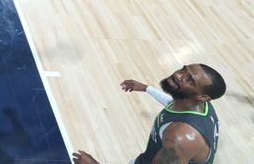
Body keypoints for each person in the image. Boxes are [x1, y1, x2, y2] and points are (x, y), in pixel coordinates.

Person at [72, 64, 225, 164]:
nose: (179, 75)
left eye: (190, 80)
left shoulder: (181, 138)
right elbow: (172, 104)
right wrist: (147, 89)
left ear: (203, 97)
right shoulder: (198, 105)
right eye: (184, 69)